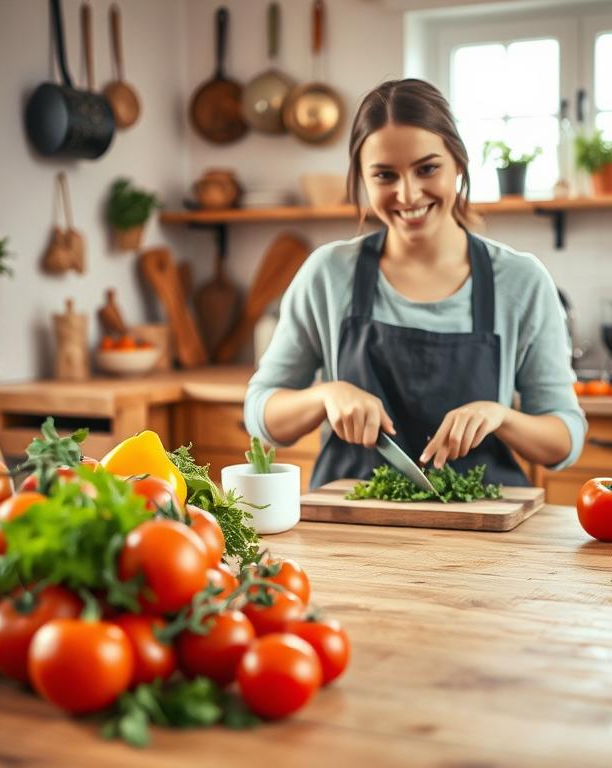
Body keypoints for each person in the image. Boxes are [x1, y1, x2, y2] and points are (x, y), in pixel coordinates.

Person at [244, 78, 586, 488]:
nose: (408, 194)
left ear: (458, 164)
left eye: (427, 169)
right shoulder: (328, 274)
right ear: (362, 180)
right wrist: (326, 394)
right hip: (350, 529)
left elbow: (565, 440)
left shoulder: (520, 281)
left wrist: (501, 416)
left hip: (481, 529)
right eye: (385, 175)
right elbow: (262, 413)